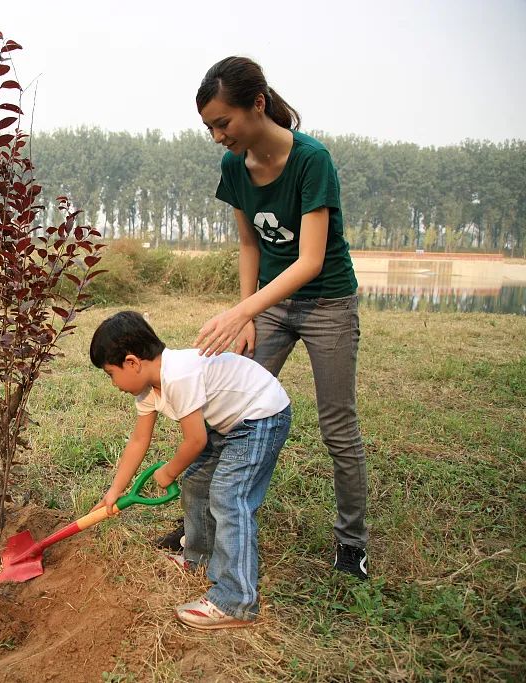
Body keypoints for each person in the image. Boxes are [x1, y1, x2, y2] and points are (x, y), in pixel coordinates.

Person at [156, 55, 369, 579]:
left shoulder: (312, 161)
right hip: (269, 306)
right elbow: (249, 243)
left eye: (222, 123)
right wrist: (249, 313)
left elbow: (312, 260)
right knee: (219, 413)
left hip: (328, 303)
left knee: (337, 426)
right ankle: (196, 531)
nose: (216, 136)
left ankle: (351, 544)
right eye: (208, 126)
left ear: (257, 104)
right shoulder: (234, 167)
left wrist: (241, 310)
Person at [91, 311, 291, 630]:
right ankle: (199, 557)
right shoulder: (148, 389)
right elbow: (139, 440)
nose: (113, 384)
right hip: (231, 422)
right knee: (197, 482)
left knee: (228, 498)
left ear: (132, 362)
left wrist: (169, 471)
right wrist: (114, 491)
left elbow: (196, 440)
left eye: (110, 373)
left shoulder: (178, 375)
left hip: (261, 417)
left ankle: (236, 600)